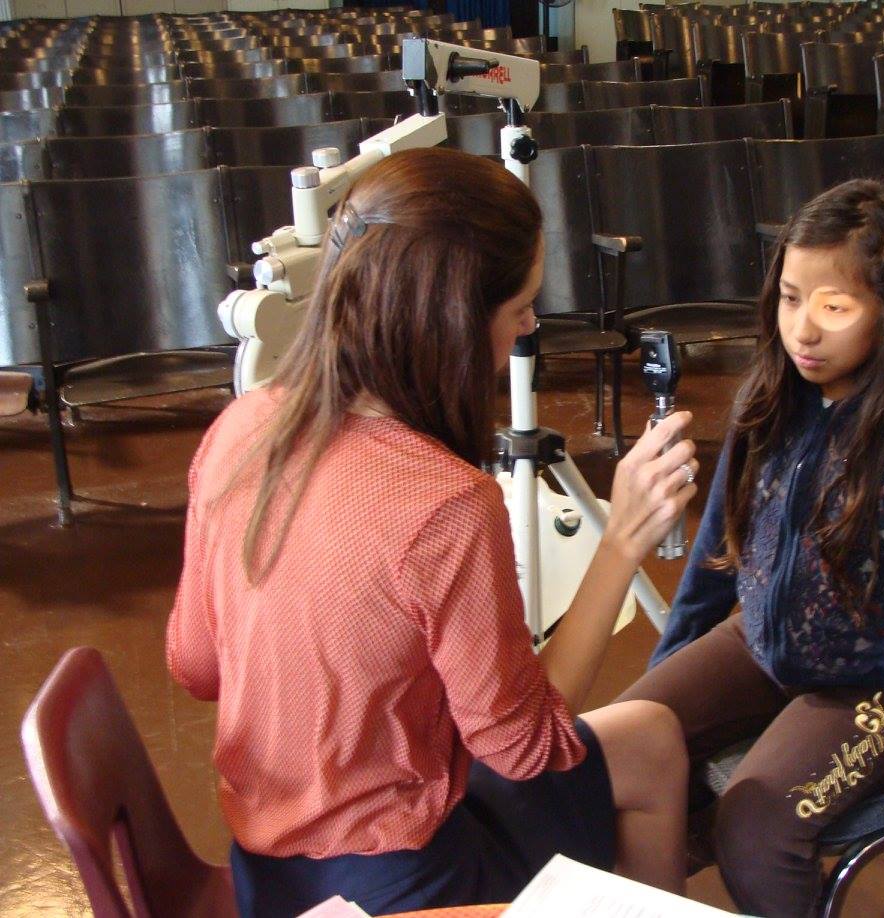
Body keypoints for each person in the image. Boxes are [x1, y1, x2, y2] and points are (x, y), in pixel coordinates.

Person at [166, 148, 698, 917]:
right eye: (518, 311)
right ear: (450, 322)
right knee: (640, 747)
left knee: (647, 736)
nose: (528, 327)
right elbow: (526, 748)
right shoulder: (445, 503)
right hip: (400, 886)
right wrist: (620, 543)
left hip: (268, 874)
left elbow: (195, 665)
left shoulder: (242, 426)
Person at [617, 180, 884, 917]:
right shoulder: (769, 402)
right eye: (791, 298)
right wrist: (666, 672)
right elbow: (711, 564)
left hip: (881, 681)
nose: (803, 329)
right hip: (760, 640)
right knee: (620, 745)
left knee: (753, 826)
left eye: (835, 307)